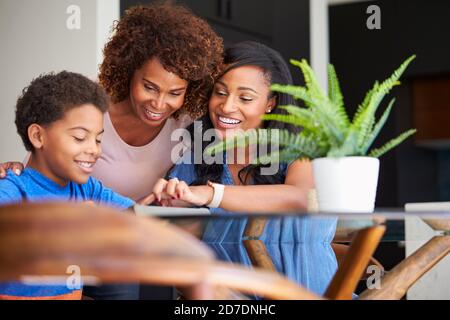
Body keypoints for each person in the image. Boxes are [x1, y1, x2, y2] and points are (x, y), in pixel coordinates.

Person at [0, 4, 223, 299]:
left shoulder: (188, 125)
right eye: (150, 87)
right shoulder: (86, 105)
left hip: (117, 249)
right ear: (130, 72)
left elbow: (134, 212)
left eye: (174, 93)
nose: (159, 104)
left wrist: (164, 201)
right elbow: (40, 173)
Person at [146, 41, 338, 295]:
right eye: (220, 92)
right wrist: (176, 206)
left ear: (271, 103)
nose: (226, 107)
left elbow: (303, 198)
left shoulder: (299, 152)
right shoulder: (194, 161)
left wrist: (211, 194)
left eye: (245, 97)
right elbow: (181, 258)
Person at [0, 71, 139, 299]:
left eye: (98, 139)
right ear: (37, 136)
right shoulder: (13, 189)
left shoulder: (87, 189)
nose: (95, 149)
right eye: (79, 137)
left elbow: (135, 216)